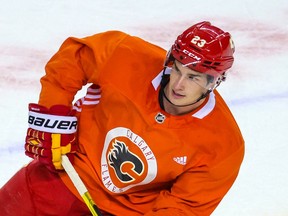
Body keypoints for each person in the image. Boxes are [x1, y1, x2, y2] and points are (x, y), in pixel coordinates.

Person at [0, 21, 245, 216]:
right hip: (64, 173)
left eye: (193, 78)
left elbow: (186, 206)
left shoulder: (223, 145)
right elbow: (73, 59)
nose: (178, 85)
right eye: (177, 69)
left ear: (215, 82)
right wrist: (53, 116)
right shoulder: (127, 55)